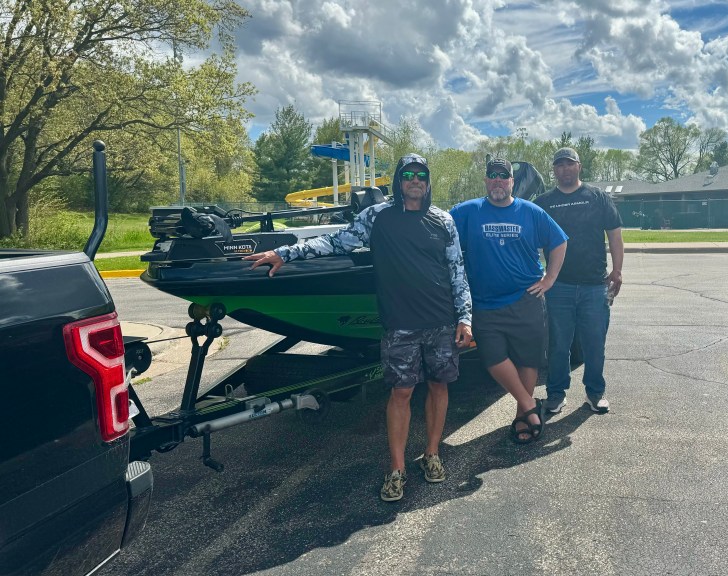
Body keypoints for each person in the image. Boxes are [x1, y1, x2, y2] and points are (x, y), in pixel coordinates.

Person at [243, 154, 472, 502]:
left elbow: (457, 271)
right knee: (401, 393)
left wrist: (465, 318)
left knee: (439, 387)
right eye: (408, 174)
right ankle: (397, 468)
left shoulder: (443, 220)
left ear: (428, 181)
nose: (415, 180)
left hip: (441, 321)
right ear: (398, 180)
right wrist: (286, 253)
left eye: (421, 175)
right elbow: (337, 241)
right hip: (400, 324)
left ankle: (432, 453)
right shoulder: (377, 216)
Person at [450, 158, 567, 444]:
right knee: (493, 358)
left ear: (512, 181)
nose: (498, 181)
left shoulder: (530, 212)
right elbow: (438, 226)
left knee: (528, 359)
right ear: (486, 180)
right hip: (484, 303)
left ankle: (521, 417)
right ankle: (529, 404)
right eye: (493, 175)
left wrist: (550, 279)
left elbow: (559, 241)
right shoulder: (468, 211)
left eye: (504, 176)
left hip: (526, 299)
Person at [533, 147, 623, 415]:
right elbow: (531, 241)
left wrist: (617, 271)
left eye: (569, 164)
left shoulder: (597, 197)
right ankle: (556, 394)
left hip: (594, 285)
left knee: (594, 344)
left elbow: (615, 235)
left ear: (579, 166)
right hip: (557, 287)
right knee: (558, 345)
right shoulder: (544, 202)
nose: (565, 169)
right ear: (554, 170)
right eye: (560, 165)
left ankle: (595, 393)